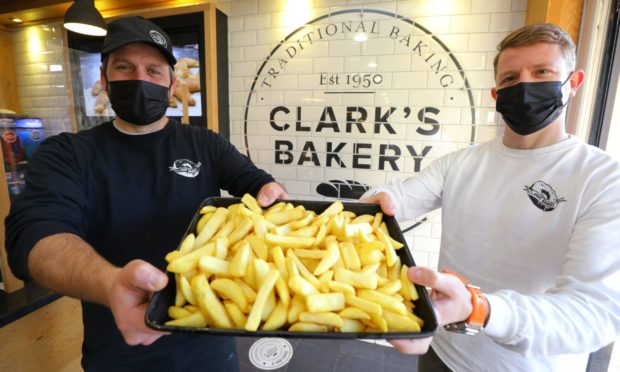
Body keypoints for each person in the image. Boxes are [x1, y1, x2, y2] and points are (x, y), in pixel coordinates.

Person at [5, 16, 287, 371]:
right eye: (124, 67)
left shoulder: (205, 143)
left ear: (171, 85)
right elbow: (35, 235)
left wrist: (362, 222)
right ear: (105, 80)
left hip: (210, 349)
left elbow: (261, 187)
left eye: (154, 70)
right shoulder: (67, 153)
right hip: (119, 348)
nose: (140, 79)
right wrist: (110, 283)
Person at [362, 23, 620, 371]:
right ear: (497, 94)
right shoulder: (461, 163)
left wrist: (480, 308)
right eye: (511, 78)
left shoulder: (603, 178)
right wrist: (375, 200)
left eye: (542, 72)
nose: (525, 85)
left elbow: (594, 312)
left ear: (572, 83)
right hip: (442, 353)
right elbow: (400, 197)